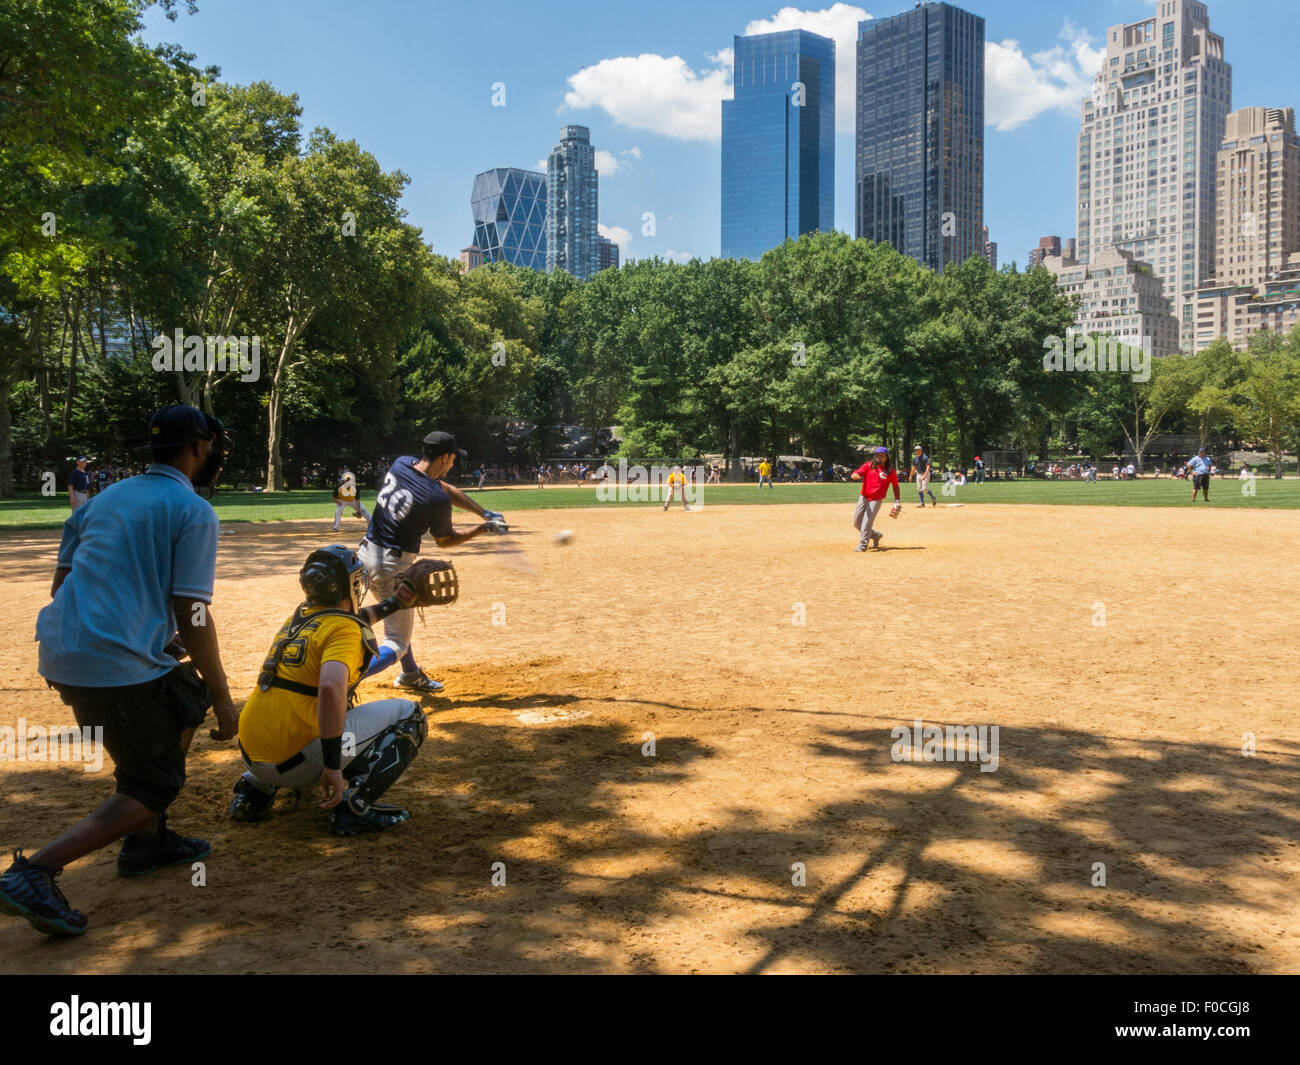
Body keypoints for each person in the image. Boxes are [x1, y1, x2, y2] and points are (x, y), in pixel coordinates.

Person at [1, 405, 238, 938]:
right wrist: (224, 697)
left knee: (182, 695)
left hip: (63, 648)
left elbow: (63, 584)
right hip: (111, 665)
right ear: (197, 449)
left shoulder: (105, 498)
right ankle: (33, 873)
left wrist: (143, 631)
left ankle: (148, 842)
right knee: (154, 783)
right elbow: (193, 612)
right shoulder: (191, 509)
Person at [229, 545, 430, 835]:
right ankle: (354, 809)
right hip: (299, 763)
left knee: (294, 697)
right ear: (350, 585)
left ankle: (256, 791)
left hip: (252, 754)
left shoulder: (301, 618)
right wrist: (333, 766)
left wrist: (395, 602)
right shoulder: (343, 629)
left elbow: (355, 619)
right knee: (411, 716)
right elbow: (331, 685)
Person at [359, 431, 506, 694]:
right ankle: (342, 681)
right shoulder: (434, 499)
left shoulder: (402, 463)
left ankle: (411, 674)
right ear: (446, 456)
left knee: (399, 614)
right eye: (452, 461)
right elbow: (445, 541)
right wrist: (484, 528)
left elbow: (442, 488)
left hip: (365, 557)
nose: (452, 466)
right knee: (396, 642)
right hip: (391, 567)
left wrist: (483, 511)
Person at [849, 446, 901, 552]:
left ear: (886, 457)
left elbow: (895, 486)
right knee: (856, 523)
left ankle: (863, 545)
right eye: (877, 455)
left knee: (866, 523)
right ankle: (876, 535)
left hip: (876, 500)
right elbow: (857, 473)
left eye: (882, 456)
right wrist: (854, 475)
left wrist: (897, 500)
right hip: (864, 496)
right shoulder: (869, 466)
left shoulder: (890, 471)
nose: (879, 457)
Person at [331, 466, 371, 532]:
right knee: (338, 511)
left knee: (363, 510)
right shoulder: (339, 487)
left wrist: (358, 511)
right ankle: (335, 527)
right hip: (342, 500)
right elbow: (333, 498)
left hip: (353, 501)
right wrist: (338, 501)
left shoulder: (355, 488)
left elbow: (357, 500)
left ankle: (371, 526)